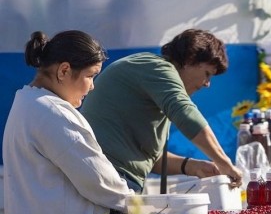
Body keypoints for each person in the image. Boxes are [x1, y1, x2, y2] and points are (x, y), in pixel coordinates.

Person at [2, 30, 134, 214]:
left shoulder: (27, 103)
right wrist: (143, 207)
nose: (93, 86)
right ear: (64, 71)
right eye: (90, 76)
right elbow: (100, 182)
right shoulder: (51, 111)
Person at [81, 29, 243, 193]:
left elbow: (148, 158)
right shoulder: (158, 68)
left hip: (109, 176)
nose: (207, 84)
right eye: (207, 74)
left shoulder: (155, 81)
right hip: (107, 177)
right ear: (190, 59)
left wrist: (193, 167)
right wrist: (224, 163)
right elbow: (187, 115)